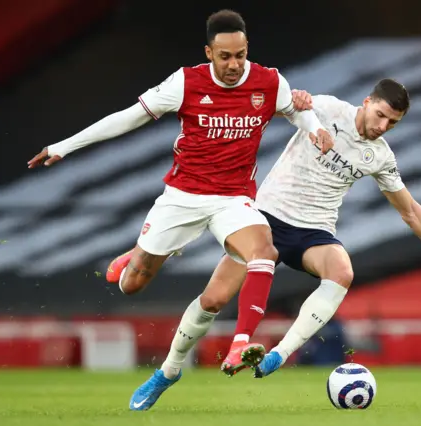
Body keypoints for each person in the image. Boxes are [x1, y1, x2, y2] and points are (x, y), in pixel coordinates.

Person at [128, 78, 421, 411]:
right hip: (266, 217)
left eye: (392, 123)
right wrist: (295, 99)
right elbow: (283, 102)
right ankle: (169, 371)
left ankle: (277, 356)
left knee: (342, 271)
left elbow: (410, 211)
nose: (382, 127)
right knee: (213, 300)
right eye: (380, 115)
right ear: (367, 102)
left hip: (313, 230)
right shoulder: (329, 108)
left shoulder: (380, 156)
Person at [27, 9, 334, 385]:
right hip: (182, 196)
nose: (234, 64)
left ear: (246, 49)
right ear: (209, 53)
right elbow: (127, 117)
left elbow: (295, 110)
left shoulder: (269, 82)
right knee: (133, 285)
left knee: (264, 252)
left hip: (232, 199)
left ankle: (240, 343)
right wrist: (64, 146)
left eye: (239, 55)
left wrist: (315, 128)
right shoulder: (186, 83)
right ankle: (136, 254)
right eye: (225, 57)